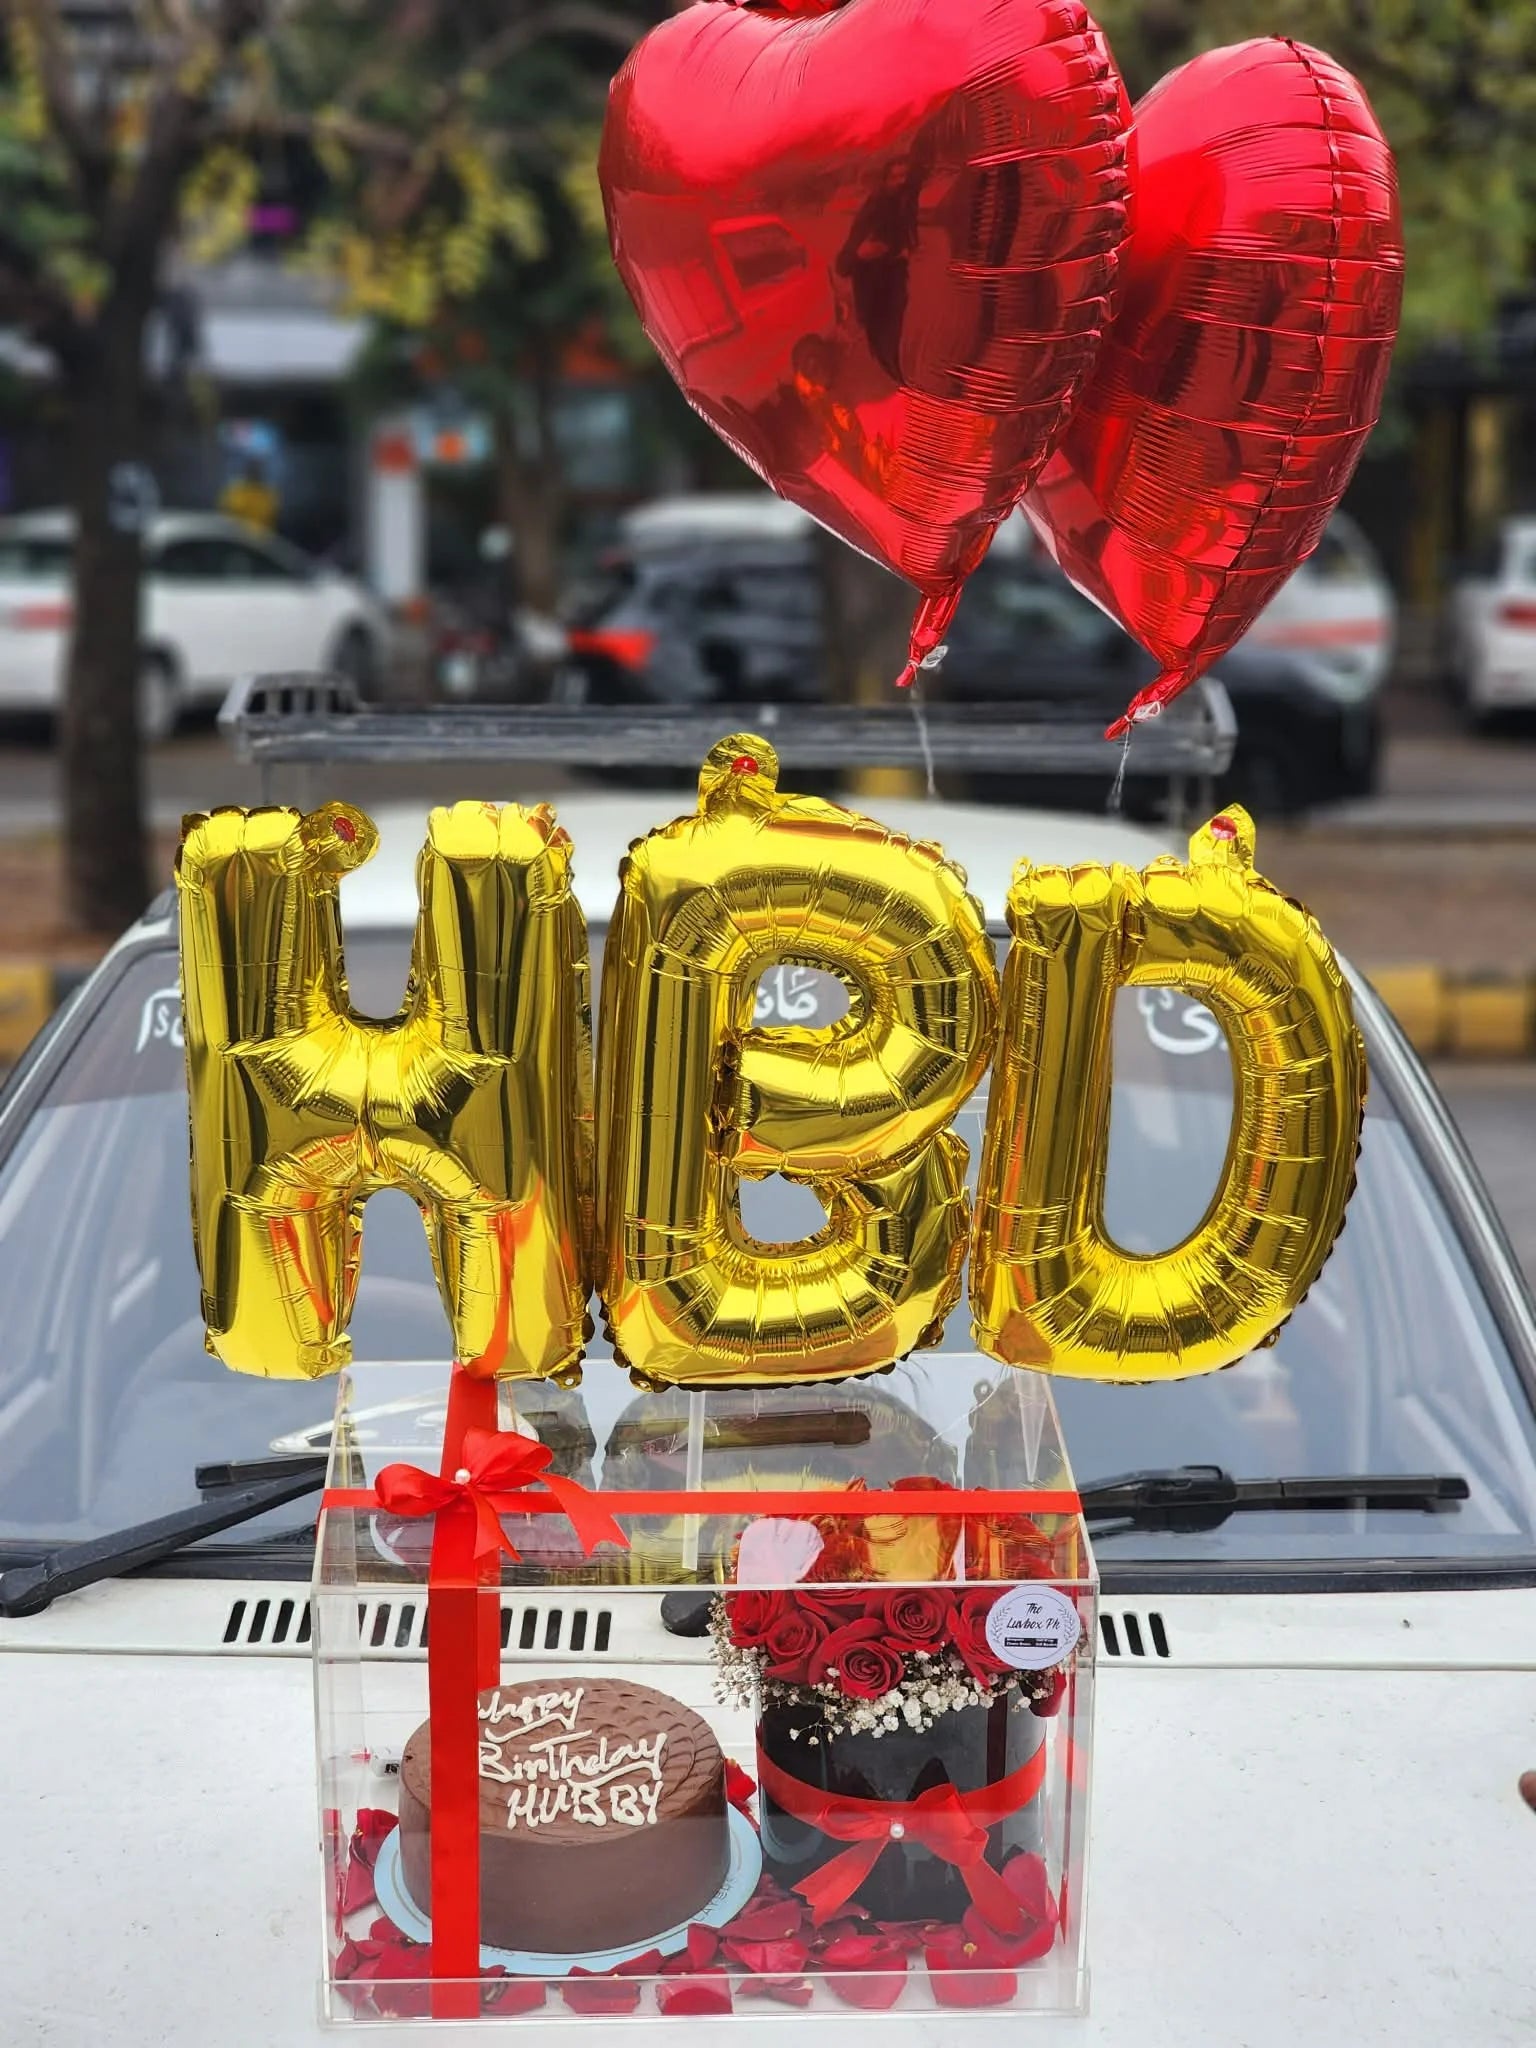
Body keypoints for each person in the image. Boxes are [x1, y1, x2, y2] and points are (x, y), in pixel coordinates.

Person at [220, 456, 278, 533]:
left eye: (257, 469)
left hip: (260, 540)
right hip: (235, 537)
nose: (255, 472)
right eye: (252, 469)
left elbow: (272, 519)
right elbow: (224, 515)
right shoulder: (235, 490)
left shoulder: (268, 494)